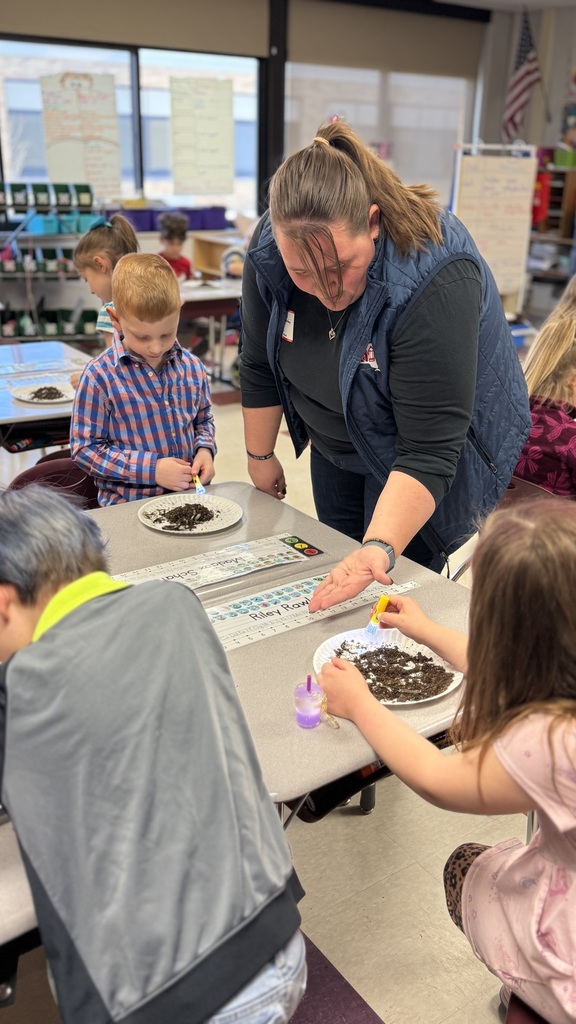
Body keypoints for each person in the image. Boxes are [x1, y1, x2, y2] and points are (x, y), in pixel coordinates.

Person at [0, 485, 306, 1024]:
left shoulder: (19, 686)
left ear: (3, 603)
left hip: (161, 1000)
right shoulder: (176, 603)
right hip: (277, 940)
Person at [239, 119, 531, 611]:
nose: (328, 293)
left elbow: (429, 447)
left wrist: (377, 548)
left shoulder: (432, 269)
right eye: (303, 272)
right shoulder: (270, 250)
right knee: (336, 569)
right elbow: (258, 361)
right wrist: (260, 456)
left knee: (386, 592)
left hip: (419, 454)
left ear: (372, 223)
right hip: (337, 441)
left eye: (339, 268)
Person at [319, 496, 576, 1024]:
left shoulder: (549, 744)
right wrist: (427, 629)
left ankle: (530, 988)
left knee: (464, 866)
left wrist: (361, 705)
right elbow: (521, 668)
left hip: (566, 947)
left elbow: (437, 777)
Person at [70, 252, 216, 505]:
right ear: (115, 319)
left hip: (189, 502)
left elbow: (203, 420)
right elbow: (85, 449)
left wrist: (204, 450)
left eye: (166, 334)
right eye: (143, 337)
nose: (156, 348)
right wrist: (153, 470)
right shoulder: (98, 377)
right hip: (128, 507)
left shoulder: (193, 368)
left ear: (179, 310)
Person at [514, 311, 576, 497]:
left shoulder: (504, 418)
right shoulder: (570, 439)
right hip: (553, 526)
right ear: (573, 380)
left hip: (494, 524)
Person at [74, 213, 139, 345]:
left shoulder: (110, 312)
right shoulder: (150, 300)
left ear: (100, 265)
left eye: (87, 279)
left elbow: (113, 362)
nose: (91, 290)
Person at [157, 211, 192, 281]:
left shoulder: (186, 263)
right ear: (161, 239)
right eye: (171, 243)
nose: (175, 248)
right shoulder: (156, 262)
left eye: (179, 243)